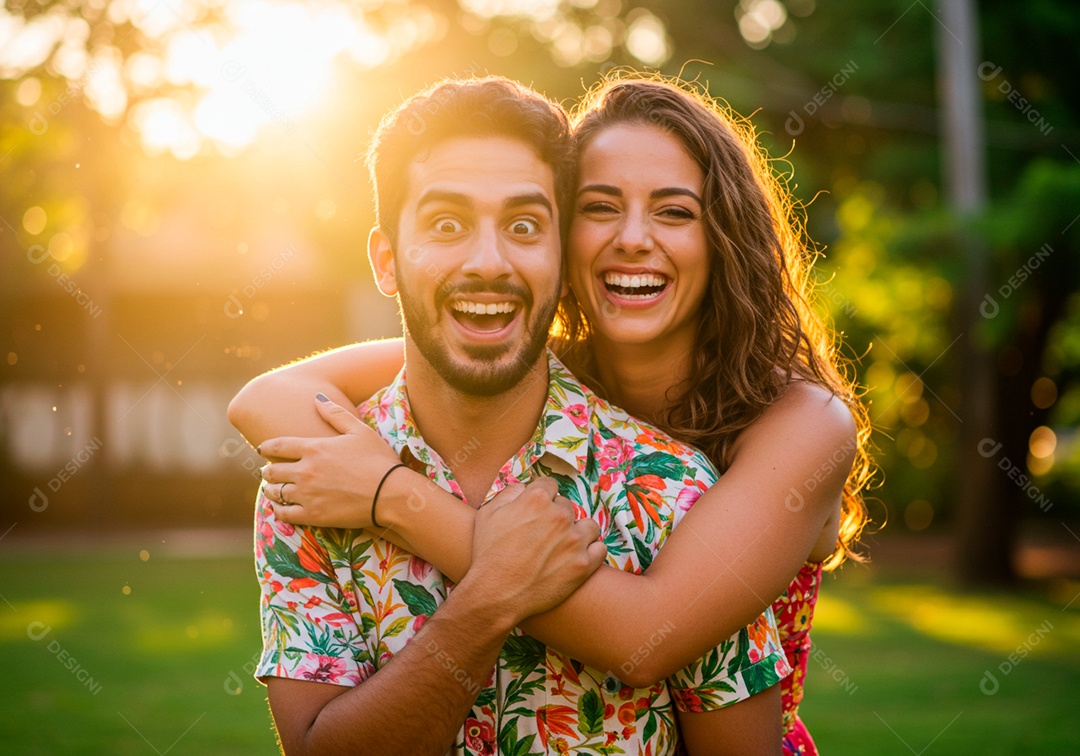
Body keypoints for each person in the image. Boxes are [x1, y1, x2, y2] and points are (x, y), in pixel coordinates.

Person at [233, 75, 873, 755]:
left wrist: (396, 498)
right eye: (601, 207)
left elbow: (643, 634)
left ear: (724, 240)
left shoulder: (796, 425)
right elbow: (268, 396)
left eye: (675, 212)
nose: (632, 238)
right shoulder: (507, 346)